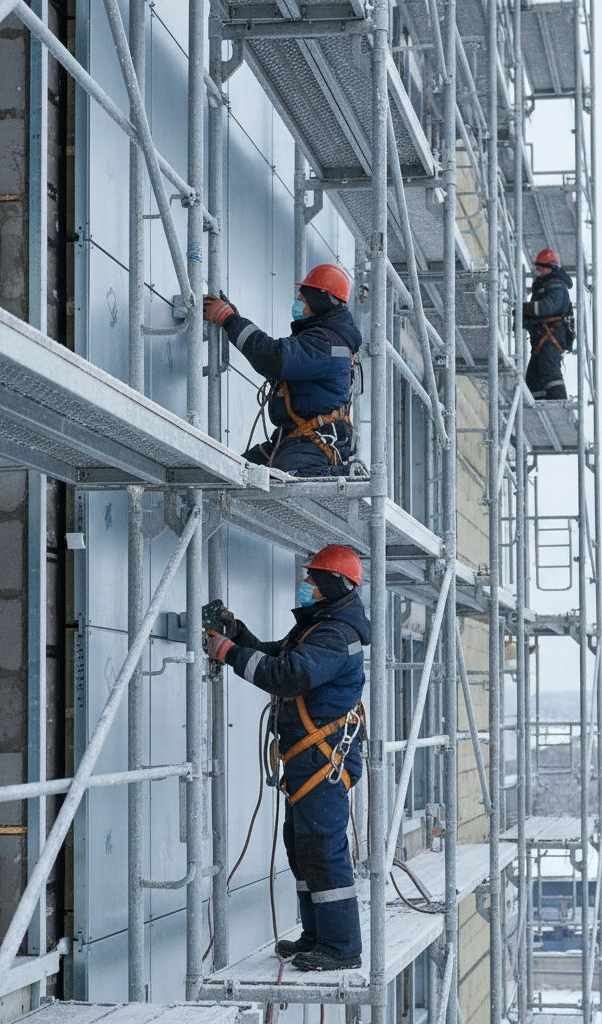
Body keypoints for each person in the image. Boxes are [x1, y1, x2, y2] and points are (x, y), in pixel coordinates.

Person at [203, 545, 370, 972]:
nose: (307, 584)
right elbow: (278, 656)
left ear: (335, 584)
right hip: (309, 760)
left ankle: (341, 948)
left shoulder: (337, 635)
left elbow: (288, 676)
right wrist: (237, 634)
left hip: (323, 761)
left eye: (314, 579)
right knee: (301, 846)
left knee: (322, 847)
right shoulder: (321, 627)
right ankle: (318, 937)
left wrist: (226, 653)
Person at [202, 264, 362, 476]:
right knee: (234, 473)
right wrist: (234, 320)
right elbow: (273, 360)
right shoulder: (324, 338)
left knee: (286, 480)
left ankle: (342, 474)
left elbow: (271, 357)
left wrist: (230, 320)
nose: (297, 304)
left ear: (319, 301)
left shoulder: (325, 343)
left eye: (302, 300)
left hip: (313, 443)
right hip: (293, 438)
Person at [523, 247, 574, 401]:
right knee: (533, 377)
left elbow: (548, 306)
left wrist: (527, 308)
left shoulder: (557, 286)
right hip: (541, 338)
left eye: (541, 268)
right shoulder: (544, 286)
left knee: (550, 373)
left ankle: (558, 404)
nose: (538, 271)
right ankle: (539, 403)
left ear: (550, 267)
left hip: (551, 337)